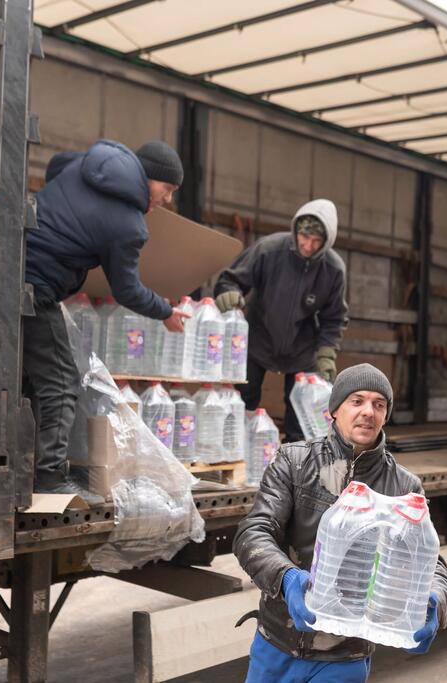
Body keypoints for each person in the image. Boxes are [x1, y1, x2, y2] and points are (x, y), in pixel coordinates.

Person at [234, 364, 447, 682]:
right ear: (334, 409)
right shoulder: (294, 463)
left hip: (343, 657)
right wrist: (287, 579)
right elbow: (254, 531)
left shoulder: (404, 487)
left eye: (379, 404)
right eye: (357, 400)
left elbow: (431, 563)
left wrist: (435, 600)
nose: (368, 411)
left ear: (386, 415)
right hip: (276, 643)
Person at [24, 139, 190, 493]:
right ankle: (50, 478)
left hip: (10, 260)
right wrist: (165, 311)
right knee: (62, 383)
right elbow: (127, 290)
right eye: (167, 188)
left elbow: (56, 163)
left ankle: (23, 468)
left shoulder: (85, 163)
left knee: (28, 378)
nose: (167, 199)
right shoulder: (128, 225)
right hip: (35, 285)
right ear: (148, 178)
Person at [213, 199, 348, 442]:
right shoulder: (269, 249)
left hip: (301, 348)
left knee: (301, 414)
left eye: (316, 242)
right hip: (258, 338)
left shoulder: (334, 269)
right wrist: (228, 294)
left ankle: (298, 465)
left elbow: (334, 317)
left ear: (327, 242)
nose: (307, 245)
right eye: (304, 237)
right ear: (296, 230)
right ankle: (238, 453)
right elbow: (230, 279)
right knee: (244, 402)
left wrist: (326, 353)